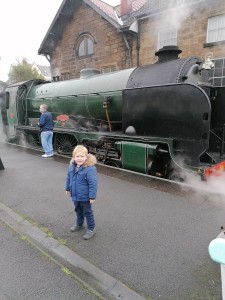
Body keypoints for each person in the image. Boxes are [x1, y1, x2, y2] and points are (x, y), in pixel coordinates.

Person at [65, 145, 98, 240]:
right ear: (74, 157)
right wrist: (67, 188)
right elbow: (68, 178)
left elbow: (93, 183)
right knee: (78, 210)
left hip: (85, 197)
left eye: (82, 156)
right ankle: (79, 224)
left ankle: (91, 228)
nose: (79, 159)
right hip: (75, 195)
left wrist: (92, 196)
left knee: (87, 212)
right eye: (77, 156)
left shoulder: (90, 169)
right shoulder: (72, 166)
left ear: (86, 157)